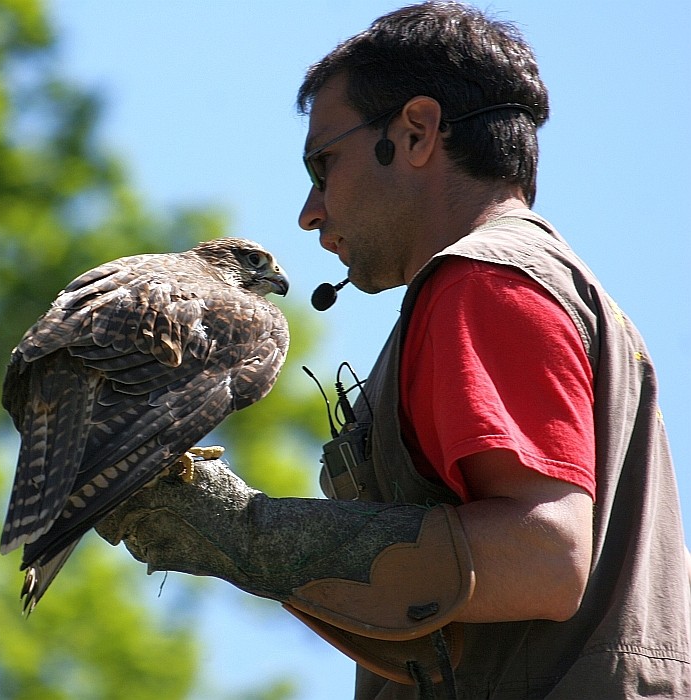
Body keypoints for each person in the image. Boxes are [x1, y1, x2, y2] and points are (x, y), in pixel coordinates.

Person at [98, 3, 691, 697]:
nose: (309, 211)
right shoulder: (550, 284)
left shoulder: (485, 277)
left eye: (323, 164)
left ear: (415, 133)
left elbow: (543, 557)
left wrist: (250, 535)